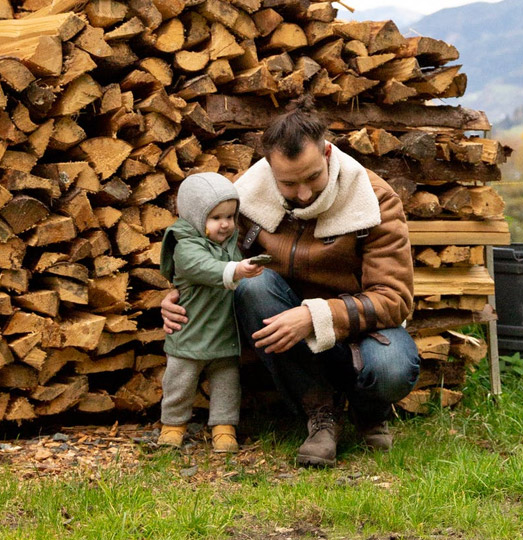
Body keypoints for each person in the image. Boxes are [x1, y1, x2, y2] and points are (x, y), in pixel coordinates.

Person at [161, 97, 420, 467]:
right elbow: (205, 252)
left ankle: (367, 409)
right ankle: (321, 416)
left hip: (357, 331)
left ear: (327, 152)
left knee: (394, 366)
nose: (303, 194)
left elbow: (395, 299)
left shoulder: (374, 199)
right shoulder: (246, 198)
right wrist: (178, 293)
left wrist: (316, 316)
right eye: (288, 183)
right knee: (253, 285)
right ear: (269, 168)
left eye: (313, 177)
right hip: (284, 331)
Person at [157, 173, 264, 453]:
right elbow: (202, 267)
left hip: (224, 333)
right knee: (179, 381)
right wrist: (237, 271)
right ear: (195, 216)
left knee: (227, 384)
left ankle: (224, 427)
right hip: (189, 332)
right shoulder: (185, 245)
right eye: (216, 217)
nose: (226, 224)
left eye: (230, 216)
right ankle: (173, 425)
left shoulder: (231, 243)